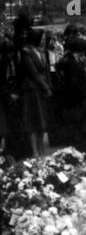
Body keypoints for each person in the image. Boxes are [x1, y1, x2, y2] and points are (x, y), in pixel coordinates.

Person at [17, 29, 51, 158]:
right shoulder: (26, 52)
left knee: (41, 123)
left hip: (41, 90)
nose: (43, 40)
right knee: (33, 122)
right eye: (41, 38)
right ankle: (35, 152)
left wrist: (48, 86)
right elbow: (34, 73)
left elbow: (45, 70)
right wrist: (46, 87)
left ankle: (41, 150)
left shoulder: (41, 52)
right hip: (32, 91)